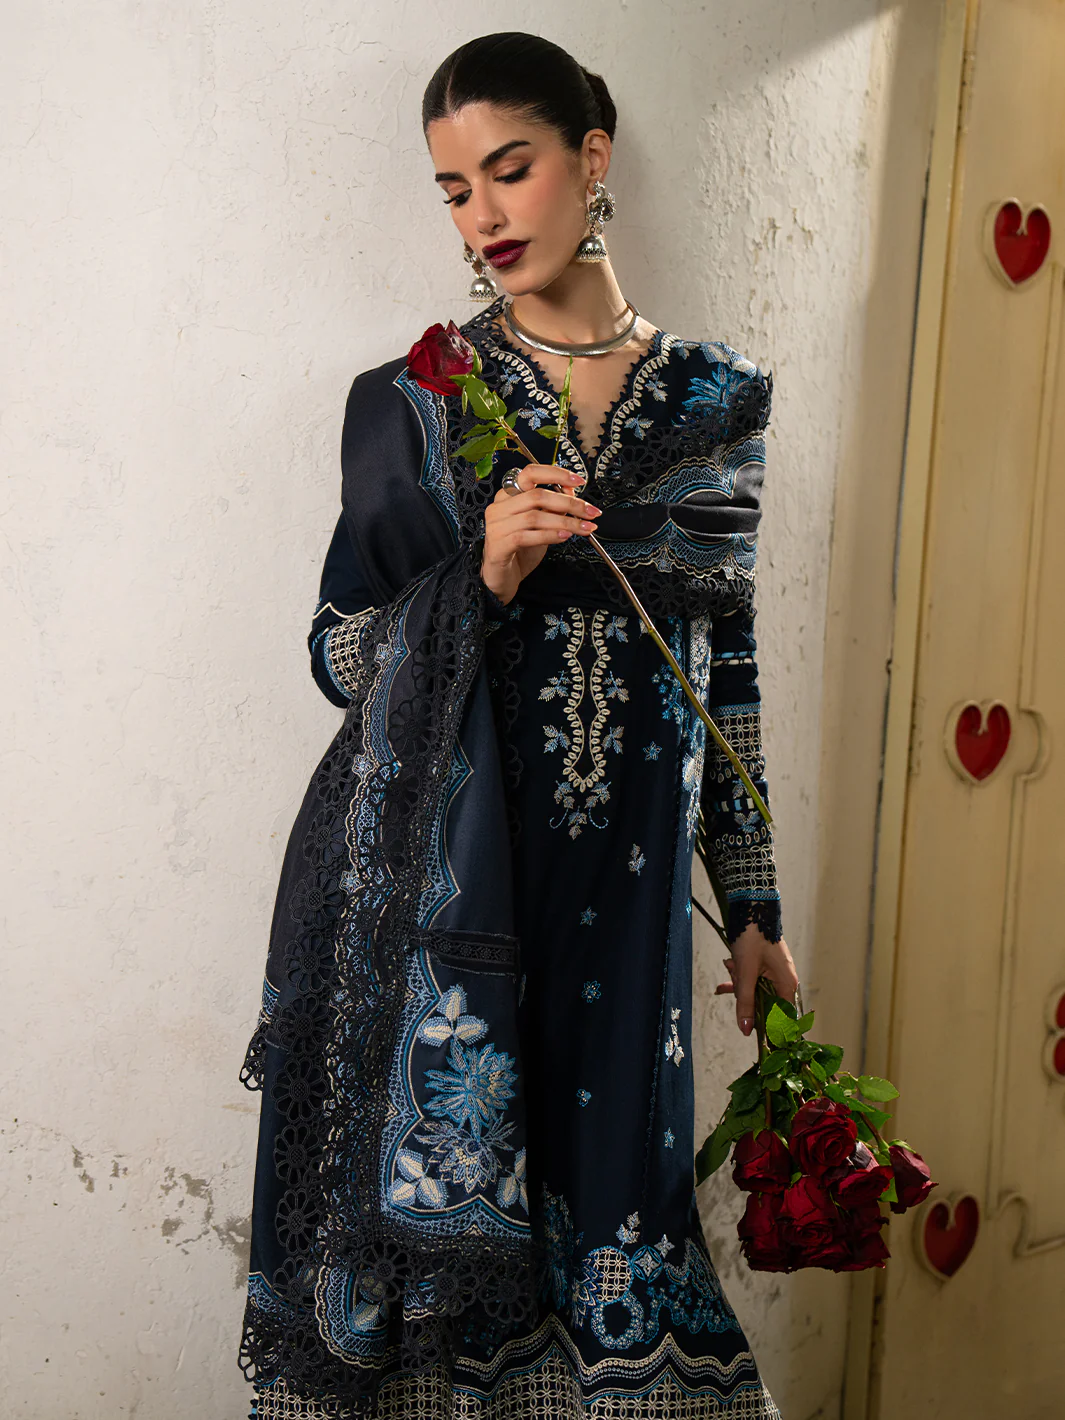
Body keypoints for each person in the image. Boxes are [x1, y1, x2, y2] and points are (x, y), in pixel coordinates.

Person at [239, 31, 797, 1420]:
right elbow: (338, 653)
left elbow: (725, 670)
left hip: (632, 906)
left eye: (510, 169)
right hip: (457, 894)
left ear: (591, 159)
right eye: (453, 189)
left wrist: (755, 907)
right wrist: (480, 575)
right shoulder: (416, 406)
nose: (482, 215)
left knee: (622, 1226)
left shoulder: (718, 403)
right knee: (452, 1252)